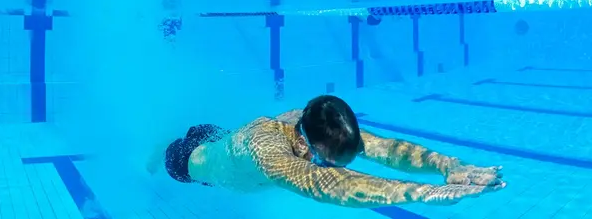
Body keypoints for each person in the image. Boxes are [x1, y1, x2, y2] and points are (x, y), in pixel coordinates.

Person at [151, 95, 505, 208]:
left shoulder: (315, 126)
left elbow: (388, 150)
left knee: (211, 133)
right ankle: (150, 154)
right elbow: (332, 186)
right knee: (164, 154)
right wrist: (425, 193)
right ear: (304, 143)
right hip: (187, 162)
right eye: (325, 162)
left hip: (223, 138)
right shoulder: (270, 155)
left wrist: (450, 167)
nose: (326, 168)